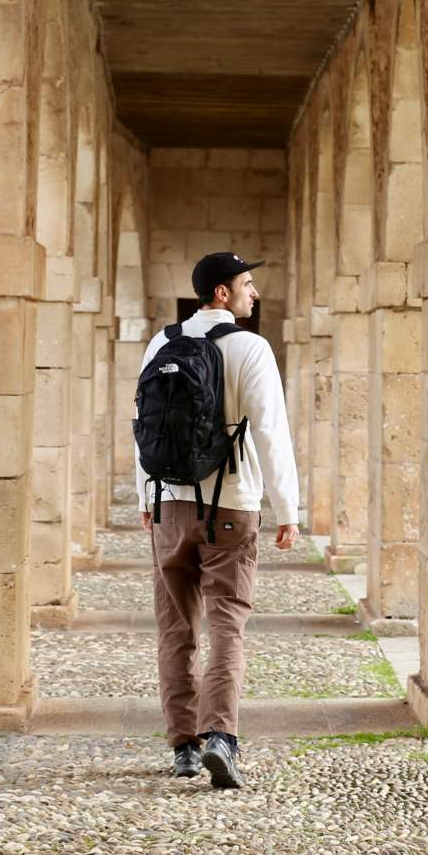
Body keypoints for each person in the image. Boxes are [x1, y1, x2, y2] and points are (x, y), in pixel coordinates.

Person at [135, 251, 300, 789]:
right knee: (227, 622)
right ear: (221, 294)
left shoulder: (161, 344)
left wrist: (145, 495)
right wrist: (287, 509)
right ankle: (221, 738)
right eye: (247, 284)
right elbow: (271, 431)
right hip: (230, 504)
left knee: (175, 627)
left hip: (168, 503)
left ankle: (183, 744)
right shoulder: (251, 348)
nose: (255, 293)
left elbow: (141, 424)